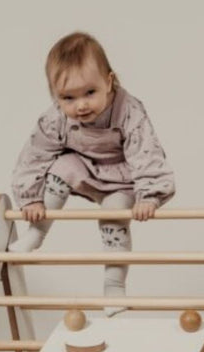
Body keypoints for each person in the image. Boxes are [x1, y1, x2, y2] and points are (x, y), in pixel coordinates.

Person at [10, 32, 175, 316]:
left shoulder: (129, 110)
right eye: (68, 97)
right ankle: (35, 235)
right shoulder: (55, 119)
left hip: (121, 180)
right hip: (84, 170)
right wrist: (30, 199)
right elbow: (34, 155)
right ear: (55, 96)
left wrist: (149, 195)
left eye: (90, 92)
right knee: (61, 167)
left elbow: (145, 152)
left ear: (109, 82)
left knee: (113, 217)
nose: (81, 105)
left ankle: (114, 288)